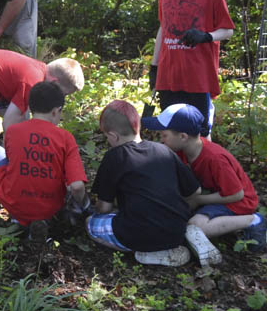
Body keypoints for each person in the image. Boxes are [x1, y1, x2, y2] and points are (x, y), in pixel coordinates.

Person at [0, 49, 84, 211]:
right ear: (54, 81)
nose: (62, 98)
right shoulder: (32, 81)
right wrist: (17, 160)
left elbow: (20, 120)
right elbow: (9, 123)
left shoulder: (38, 76)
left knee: (23, 122)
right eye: (64, 93)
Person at [143, 103, 267, 265]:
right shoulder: (182, 151)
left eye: (164, 135)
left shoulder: (214, 158)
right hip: (210, 194)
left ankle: (254, 221)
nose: (161, 140)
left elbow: (236, 194)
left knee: (195, 227)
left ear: (183, 136)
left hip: (237, 202)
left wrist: (197, 201)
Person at [86, 100, 201, 266]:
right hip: (177, 229)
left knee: (90, 223)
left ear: (113, 136)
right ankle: (169, 245)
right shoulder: (164, 150)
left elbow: (104, 208)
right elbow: (195, 192)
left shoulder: (114, 157)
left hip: (138, 233)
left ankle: (144, 252)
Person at [149, 0, 235, 137]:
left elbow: (228, 31)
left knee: (199, 134)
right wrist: (154, 67)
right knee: (170, 131)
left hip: (197, 79)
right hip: (169, 76)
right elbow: (163, 28)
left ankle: (202, 168)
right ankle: (176, 168)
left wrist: (206, 36)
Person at [0, 81, 89, 240]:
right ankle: (40, 225)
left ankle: (18, 219)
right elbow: (77, 186)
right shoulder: (65, 138)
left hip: (14, 202)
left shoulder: (13, 131)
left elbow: (12, 160)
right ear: (56, 111)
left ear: (30, 107)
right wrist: (84, 205)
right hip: (50, 208)